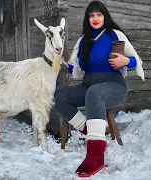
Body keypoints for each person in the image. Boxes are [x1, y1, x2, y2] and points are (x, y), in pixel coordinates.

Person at [54, 0, 145, 178]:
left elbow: (136, 61)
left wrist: (125, 61)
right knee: (61, 96)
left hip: (114, 85)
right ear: (87, 19)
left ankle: (96, 156)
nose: (95, 18)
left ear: (105, 16)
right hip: (89, 84)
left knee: (94, 93)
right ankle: (92, 132)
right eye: (91, 15)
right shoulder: (84, 41)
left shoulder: (114, 35)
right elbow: (77, 68)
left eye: (99, 14)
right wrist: (65, 63)